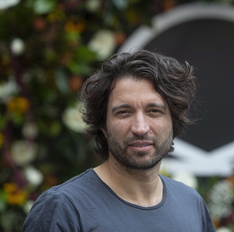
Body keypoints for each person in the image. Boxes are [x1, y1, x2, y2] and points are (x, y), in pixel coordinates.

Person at [23, 50, 216, 232]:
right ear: (103, 126)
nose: (140, 127)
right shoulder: (63, 208)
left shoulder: (191, 203)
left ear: (173, 121)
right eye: (124, 112)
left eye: (154, 111)